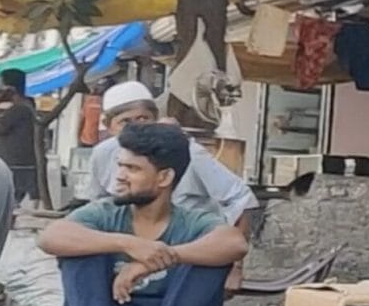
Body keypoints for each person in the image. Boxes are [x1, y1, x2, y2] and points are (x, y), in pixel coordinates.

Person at [40, 121, 248, 306]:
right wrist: (128, 244)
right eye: (120, 165)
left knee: (209, 260)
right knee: (80, 248)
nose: (120, 176)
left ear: (164, 178)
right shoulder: (105, 213)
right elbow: (51, 237)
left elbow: (235, 243)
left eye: (132, 169)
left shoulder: (190, 221)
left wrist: (160, 259)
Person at [87, 80, 256, 226]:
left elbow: (241, 198)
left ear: (156, 119)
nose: (136, 128)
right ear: (109, 127)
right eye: (125, 122)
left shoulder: (186, 150)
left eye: (143, 119)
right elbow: (98, 204)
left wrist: (232, 256)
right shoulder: (103, 154)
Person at [0, 68, 41, 201]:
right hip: (24, 162)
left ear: (9, 89)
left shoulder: (18, 109)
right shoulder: (28, 105)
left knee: (10, 200)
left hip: (17, 164)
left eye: (1, 86)